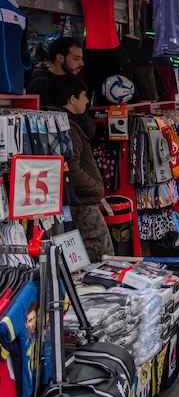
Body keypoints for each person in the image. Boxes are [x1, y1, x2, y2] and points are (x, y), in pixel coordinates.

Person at [48, 76, 113, 261]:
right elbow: (72, 169)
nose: (86, 101)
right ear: (72, 98)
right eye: (84, 96)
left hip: (72, 205)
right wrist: (96, 188)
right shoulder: (67, 125)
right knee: (102, 259)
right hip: (82, 205)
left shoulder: (60, 122)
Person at [27, 37, 85, 107]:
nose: (82, 63)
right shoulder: (40, 84)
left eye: (81, 58)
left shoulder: (75, 82)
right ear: (60, 58)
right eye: (76, 59)